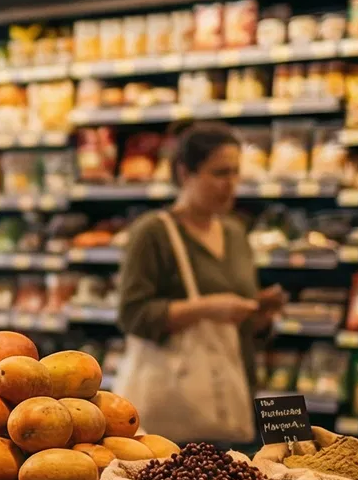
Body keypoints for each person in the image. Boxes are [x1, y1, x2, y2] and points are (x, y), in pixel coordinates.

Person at [116, 122, 286, 443]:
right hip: (171, 412)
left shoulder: (235, 232)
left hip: (232, 395)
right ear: (184, 173)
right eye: (219, 173)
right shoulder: (153, 232)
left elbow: (242, 329)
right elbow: (132, 314)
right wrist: (205, 308)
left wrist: (259, 317)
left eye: (236, 173)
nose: (231, 184)